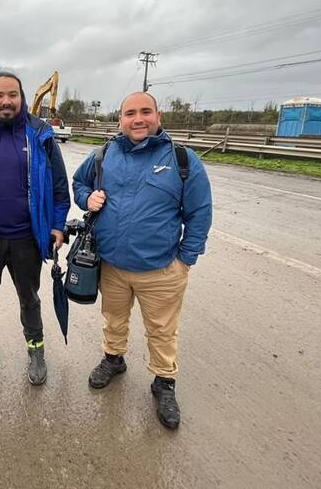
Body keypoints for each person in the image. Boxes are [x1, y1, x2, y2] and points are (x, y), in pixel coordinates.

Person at [72, 91, 212, 429]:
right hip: (113, 266)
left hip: (161, 268)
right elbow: (78, 184)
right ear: (120, 119)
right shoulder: (103, 154)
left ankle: (164, 382)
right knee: (113, 319)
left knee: (162, 330)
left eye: (145, 112)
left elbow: (200, 213)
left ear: (158, 116)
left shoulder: (183, 159)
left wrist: (185, 259)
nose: (138, 119)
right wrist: (87, 197)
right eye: (130, 113)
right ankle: (113, 359)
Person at [0, 72, 71, 385]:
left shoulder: (39, 133)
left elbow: (59, 186)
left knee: (29, 297)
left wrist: (57, 225)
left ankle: (36, 348)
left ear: (22, 97)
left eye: (12, 94)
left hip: (26, 236)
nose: (6, 101)